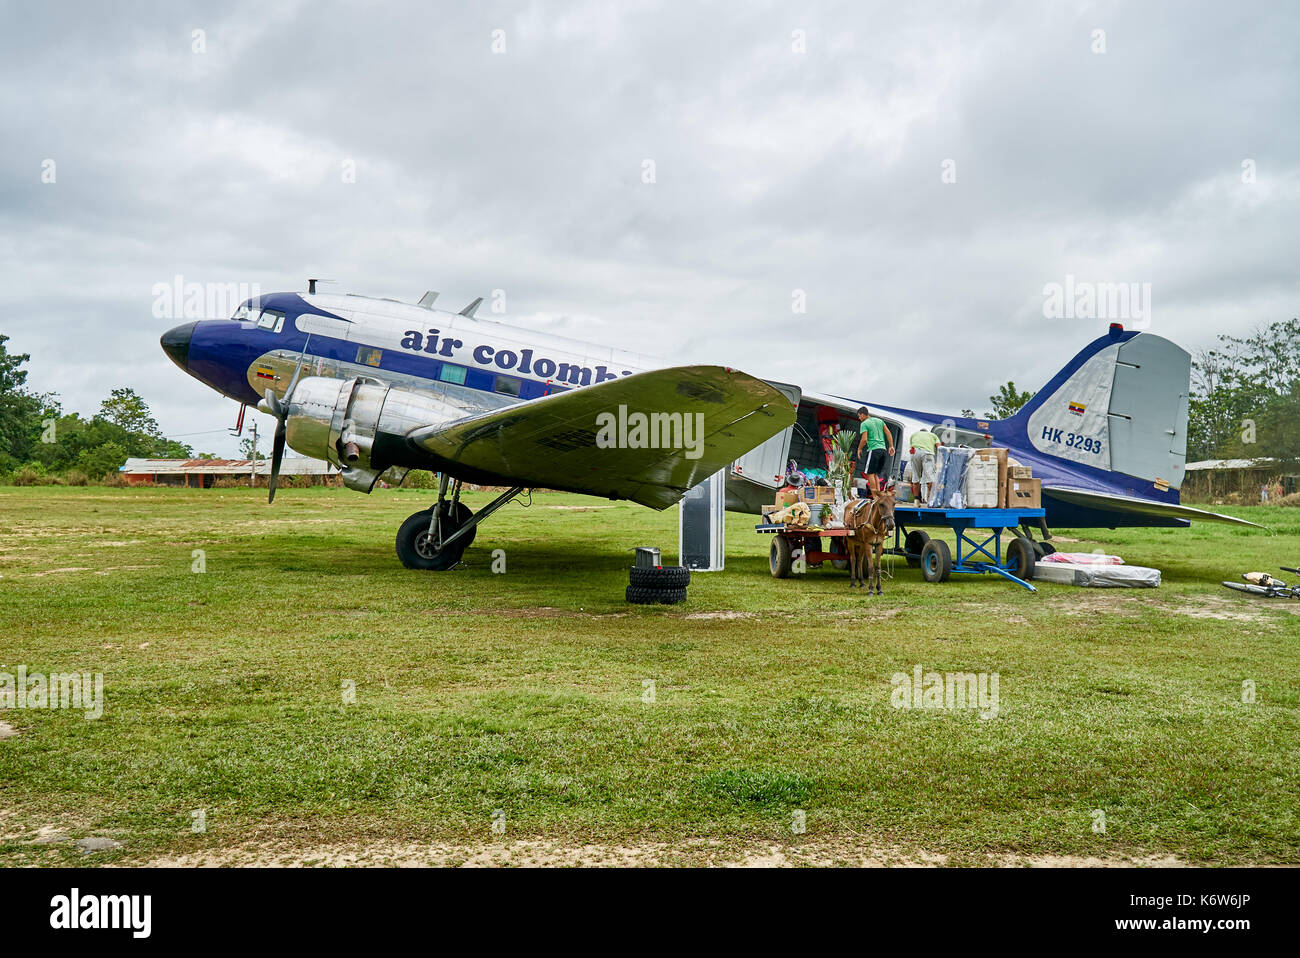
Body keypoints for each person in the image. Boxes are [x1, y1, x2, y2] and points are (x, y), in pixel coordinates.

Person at [855, 406, 895, 497]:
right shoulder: (879, 421)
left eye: (859, 416)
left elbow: (864, 439)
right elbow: (888, 433)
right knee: (875, 474)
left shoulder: (865, 423)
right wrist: (891, 446)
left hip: (874, 450)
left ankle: (874, 496)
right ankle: (878, 494)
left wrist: (859, 449)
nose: (859, 418)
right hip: (883, 450)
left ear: (862, 414)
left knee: (869, 474)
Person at [909, 428, 940, 505]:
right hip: (927, 453)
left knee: (915, 477)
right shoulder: (933, 435)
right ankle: (931, 500)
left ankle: (916, 501)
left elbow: (911, 447)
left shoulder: (914, 435)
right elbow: (939, 448)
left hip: (915, 453)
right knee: (930, 477)